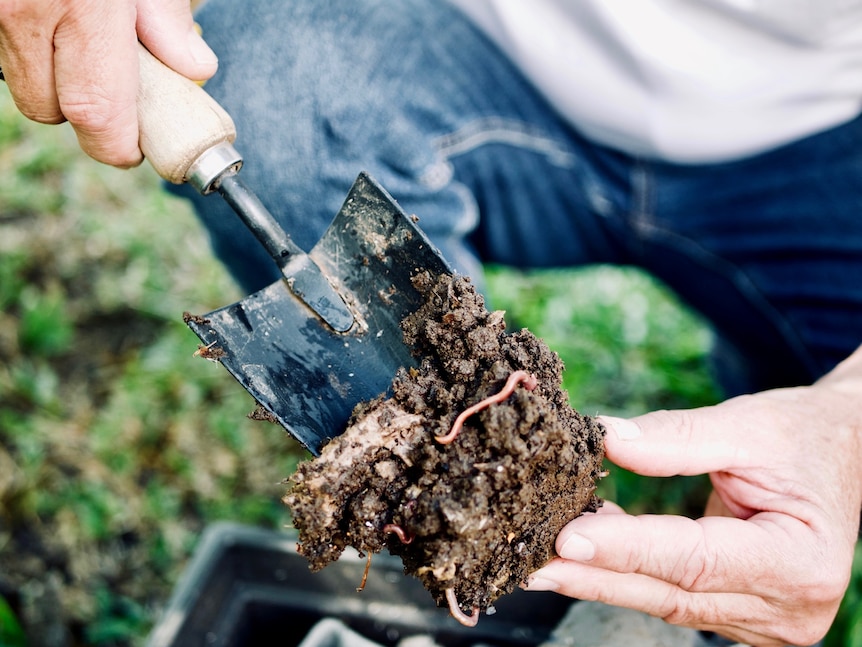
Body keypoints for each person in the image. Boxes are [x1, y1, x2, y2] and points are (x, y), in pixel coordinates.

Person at [3, 1, 860, 645]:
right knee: (266, 80)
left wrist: (845, 418)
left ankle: (778, 370)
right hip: (486, 53)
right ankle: (452, 491)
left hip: (827, 136)